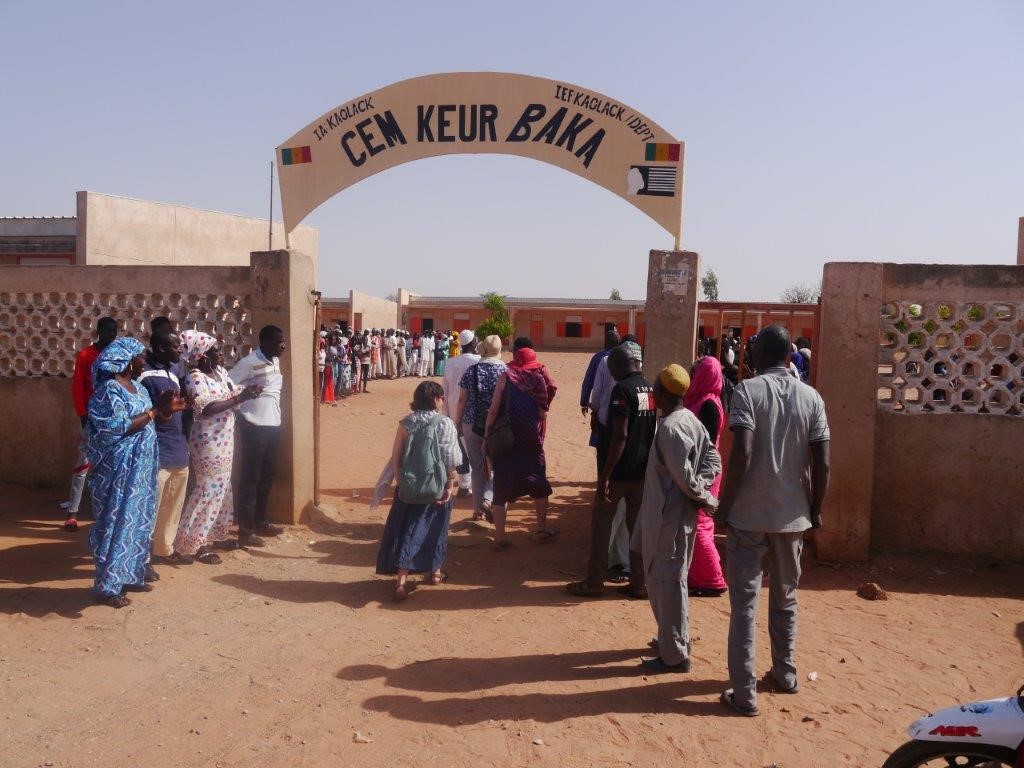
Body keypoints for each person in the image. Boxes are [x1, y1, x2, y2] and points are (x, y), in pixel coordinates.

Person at [716, 325, 831, 717]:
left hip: (749, 516)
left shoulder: (747, 392)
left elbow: (742, 453)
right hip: (793, 516)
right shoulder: (811, 397)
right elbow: (823, 461)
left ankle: (744, 693)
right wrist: (815, 508)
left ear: (760, 353)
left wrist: (725, 506)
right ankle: (785, 674)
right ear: (787, 355)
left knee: (744, 604)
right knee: (786, 598)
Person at [633, 365, 721, 673]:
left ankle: (674, 655)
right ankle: (674, 643)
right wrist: (701, 486)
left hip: (669, 520)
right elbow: (713, 458)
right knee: (672, 583)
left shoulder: (671, 428)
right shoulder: (690, 420)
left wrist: (703, 495)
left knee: (667, 585)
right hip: (668, 516)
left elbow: (685, 476)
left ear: (661, 394)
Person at [86, 337, 185, 607]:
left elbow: (150, 418)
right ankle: (107, 586)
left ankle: (130, 575)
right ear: (128, 361)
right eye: (141, 356)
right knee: (116, 522)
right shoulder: (109, 390)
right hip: (117, 469)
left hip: (141, 469)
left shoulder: (139, 389)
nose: (145, 359)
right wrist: (155, 411)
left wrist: (165, 410)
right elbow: (118, 427)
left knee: (139, 520)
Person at [566, 342, 654, 599]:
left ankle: (594, 582)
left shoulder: (621, 391)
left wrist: (604, 476)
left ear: (618, 365)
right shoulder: (648, 388)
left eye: (611, 367)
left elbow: (621, 436)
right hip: (641, 472)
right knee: (636, 529)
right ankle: (639, 584)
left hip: (618, 474)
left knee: (601, 523)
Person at [175, 332, 262, 562]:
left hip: (224, 437)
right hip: (206, 440)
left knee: (223, 487)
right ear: (201, 355)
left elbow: (231, 394)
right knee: (207, 489)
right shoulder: (195, 378)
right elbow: (205, 409)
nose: (221, 356)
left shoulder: (220, 374)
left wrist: (247, 392)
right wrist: (239, 399)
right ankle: (194, 542)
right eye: (215, 352)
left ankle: (217, 533)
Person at [374, 381, 461, 600]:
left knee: (407, 530)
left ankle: (401, 581)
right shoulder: (445, 423)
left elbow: (396, 458)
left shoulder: (406, 423)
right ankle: (436, 573)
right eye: (441, 398)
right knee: (436, 528)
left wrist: (402, 482)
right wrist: (449, 485)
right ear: (436, 399)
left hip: (409, 488)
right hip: (436, 487)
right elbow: (451, 460)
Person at [486, 338, 558, 548]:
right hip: (530, 440)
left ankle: (500, 537)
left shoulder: (506, 376)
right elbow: (543, 411)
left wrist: (488, 435)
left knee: (501, 487)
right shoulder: (539, 378)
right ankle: (542, 527)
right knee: (539, 483)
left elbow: (493, 409)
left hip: (505, 441)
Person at [229, 325, 287, 548]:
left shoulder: (276, 360)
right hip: (254, 425)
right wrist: (240, 413)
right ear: (264, 342)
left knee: (268, 475)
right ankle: (246, 530)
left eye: (283, 341)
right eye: (278, 341)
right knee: (250, 478)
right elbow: (229, 385)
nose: (282, 346)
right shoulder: (248, 362)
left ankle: (261, 520)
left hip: (273, 424)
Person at [139, 329, 191, 571]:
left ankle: (164, 548)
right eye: (175, 346)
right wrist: (164, 410)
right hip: (157, 453)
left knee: (172, 506)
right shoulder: (144, 377)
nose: (180, 350)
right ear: (160, 349)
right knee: (150, 508)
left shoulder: (172, 374)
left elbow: (170, 413)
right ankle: (142, 559)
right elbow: (143, 417)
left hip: (177, 450)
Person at [62, 316, 118, 531]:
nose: (112, 334)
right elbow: (77, 386)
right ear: (98, 331)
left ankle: (107, 512)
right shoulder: (86, 355)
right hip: (91, 417)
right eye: (108, 330)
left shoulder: (117, 355)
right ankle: (72, 513)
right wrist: (82, 413)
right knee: (83, 463)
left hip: (112, 418)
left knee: (111, 465)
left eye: (115, 330)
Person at [683, 356, 729, 597]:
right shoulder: (702, 400)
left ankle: (712, 580)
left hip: (705, 471)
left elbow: (706, 445)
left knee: (700, 523)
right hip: (701, 470)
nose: (693, 375)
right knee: (701, 523)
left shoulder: (708, 405)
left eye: (696, 371)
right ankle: (699, 576)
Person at [456, 335, 506, 522]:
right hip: (497, 426)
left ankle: (477, 510)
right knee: (498, 466)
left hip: (471, 423)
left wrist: (457, 421)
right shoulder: (506, 371)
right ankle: (489, 498)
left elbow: (462, 399)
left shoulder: (472, 370)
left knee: (476, 467)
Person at [442, 330, 480, 498]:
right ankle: (468, 484)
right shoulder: (479, 361)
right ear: (473, 344)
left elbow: (445, 389)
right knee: (472, 448)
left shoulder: (450, 362)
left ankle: (464, 483)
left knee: (460, 448)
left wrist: (446, 414)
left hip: (452, 410)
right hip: (472, 411)